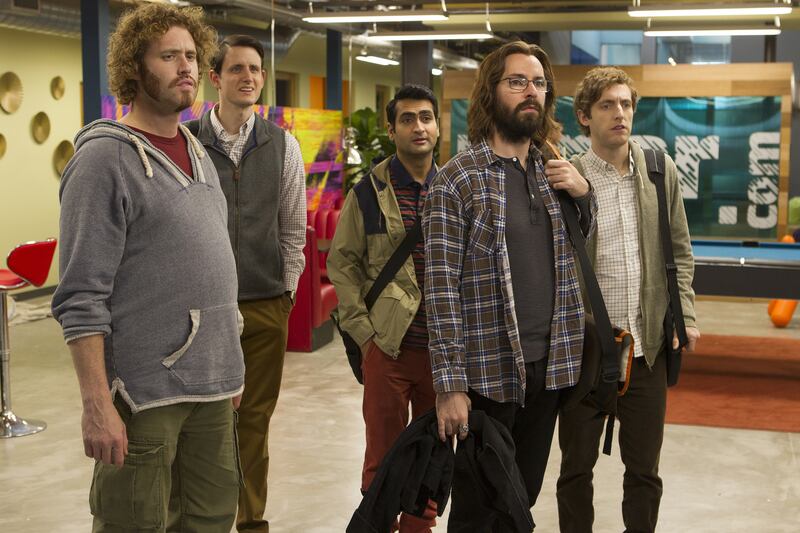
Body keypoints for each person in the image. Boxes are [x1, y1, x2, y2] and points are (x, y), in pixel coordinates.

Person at [51, 4, 244, 531]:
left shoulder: (197, 151)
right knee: (134, 523)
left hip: (213, 387)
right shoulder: (104, 160)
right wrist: (96, 403)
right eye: (169, 56)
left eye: (192, 56)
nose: (186, 67)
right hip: (142, 395)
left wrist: (229, 363)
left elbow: (213, 267)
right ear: (134, 68)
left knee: (211, 520)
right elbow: (80, 296)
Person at [423, 41, 597, 531]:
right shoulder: (457, 180)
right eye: (517, 81)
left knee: (523, 501)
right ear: (490, 93)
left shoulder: (553, 172)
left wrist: (585, 195)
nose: (530, 92)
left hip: (550, 371)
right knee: (479, 510)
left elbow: (577, 245)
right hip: (486, 374)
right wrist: (449, 386)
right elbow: (440, 291)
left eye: (539, 83)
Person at [556, 66, 700, 533]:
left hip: (646, 347)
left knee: (644, 472)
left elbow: (680, 249)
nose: (619, 113)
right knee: (574, 471)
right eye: (607, 105)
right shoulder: (568, 176)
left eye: (625, 104)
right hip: (585, 351)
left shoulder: (659, 169)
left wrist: (685, 315)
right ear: (584, 116)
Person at [184, 34, 306, 533]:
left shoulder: (283, 145)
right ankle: (200, 521)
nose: (249, 77)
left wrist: (285, 295)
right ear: (216, 78)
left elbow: (293, 231)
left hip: (265, 305)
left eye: (255, 69)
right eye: (237, 69)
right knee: (202, 422)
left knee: (254, 421)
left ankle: (250, 520)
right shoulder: (186, 142)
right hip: (201, 311)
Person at [328, 84, 441, 532]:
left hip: (442, 352)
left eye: (426, 117)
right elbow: (342, 264)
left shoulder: (454, 190)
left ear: (437, 127)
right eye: (407, 119)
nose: (419, 127)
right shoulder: (367, 193)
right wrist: (365, 335)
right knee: (382, 455)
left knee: (432, 456)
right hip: (387, 349)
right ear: (392, 130)